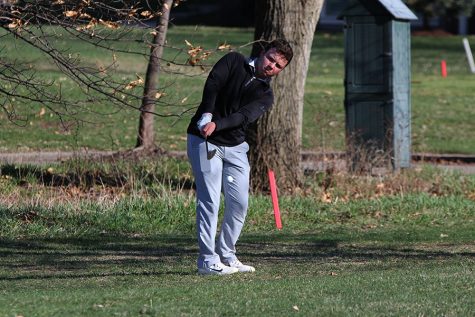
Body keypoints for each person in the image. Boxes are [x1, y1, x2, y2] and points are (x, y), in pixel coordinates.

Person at [186, 39, 293, 275]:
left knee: (239, 203)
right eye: (271, 59)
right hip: (204, 141)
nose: (271, 66)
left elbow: (244, 116)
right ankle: (207, 260)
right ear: (263, 52)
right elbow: (213, 84)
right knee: (210, 200)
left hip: (235, 147)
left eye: (277, 66)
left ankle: (227, 254)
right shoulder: (234, 61)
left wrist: (218, 123)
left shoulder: (265, 96)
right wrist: (207, 114)